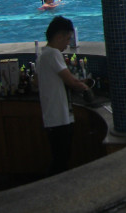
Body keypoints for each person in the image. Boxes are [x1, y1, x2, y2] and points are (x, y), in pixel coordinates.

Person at [37, 16, 90, 175]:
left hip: (51, 115)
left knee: (59, 156)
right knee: (61, 159)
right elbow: (70, 81)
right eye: (67, 39)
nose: (68, 44)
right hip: (58, 116)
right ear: (59, 36)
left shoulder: (43, 55)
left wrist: (78, 81)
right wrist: (86, 88)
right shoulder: (53, 54)